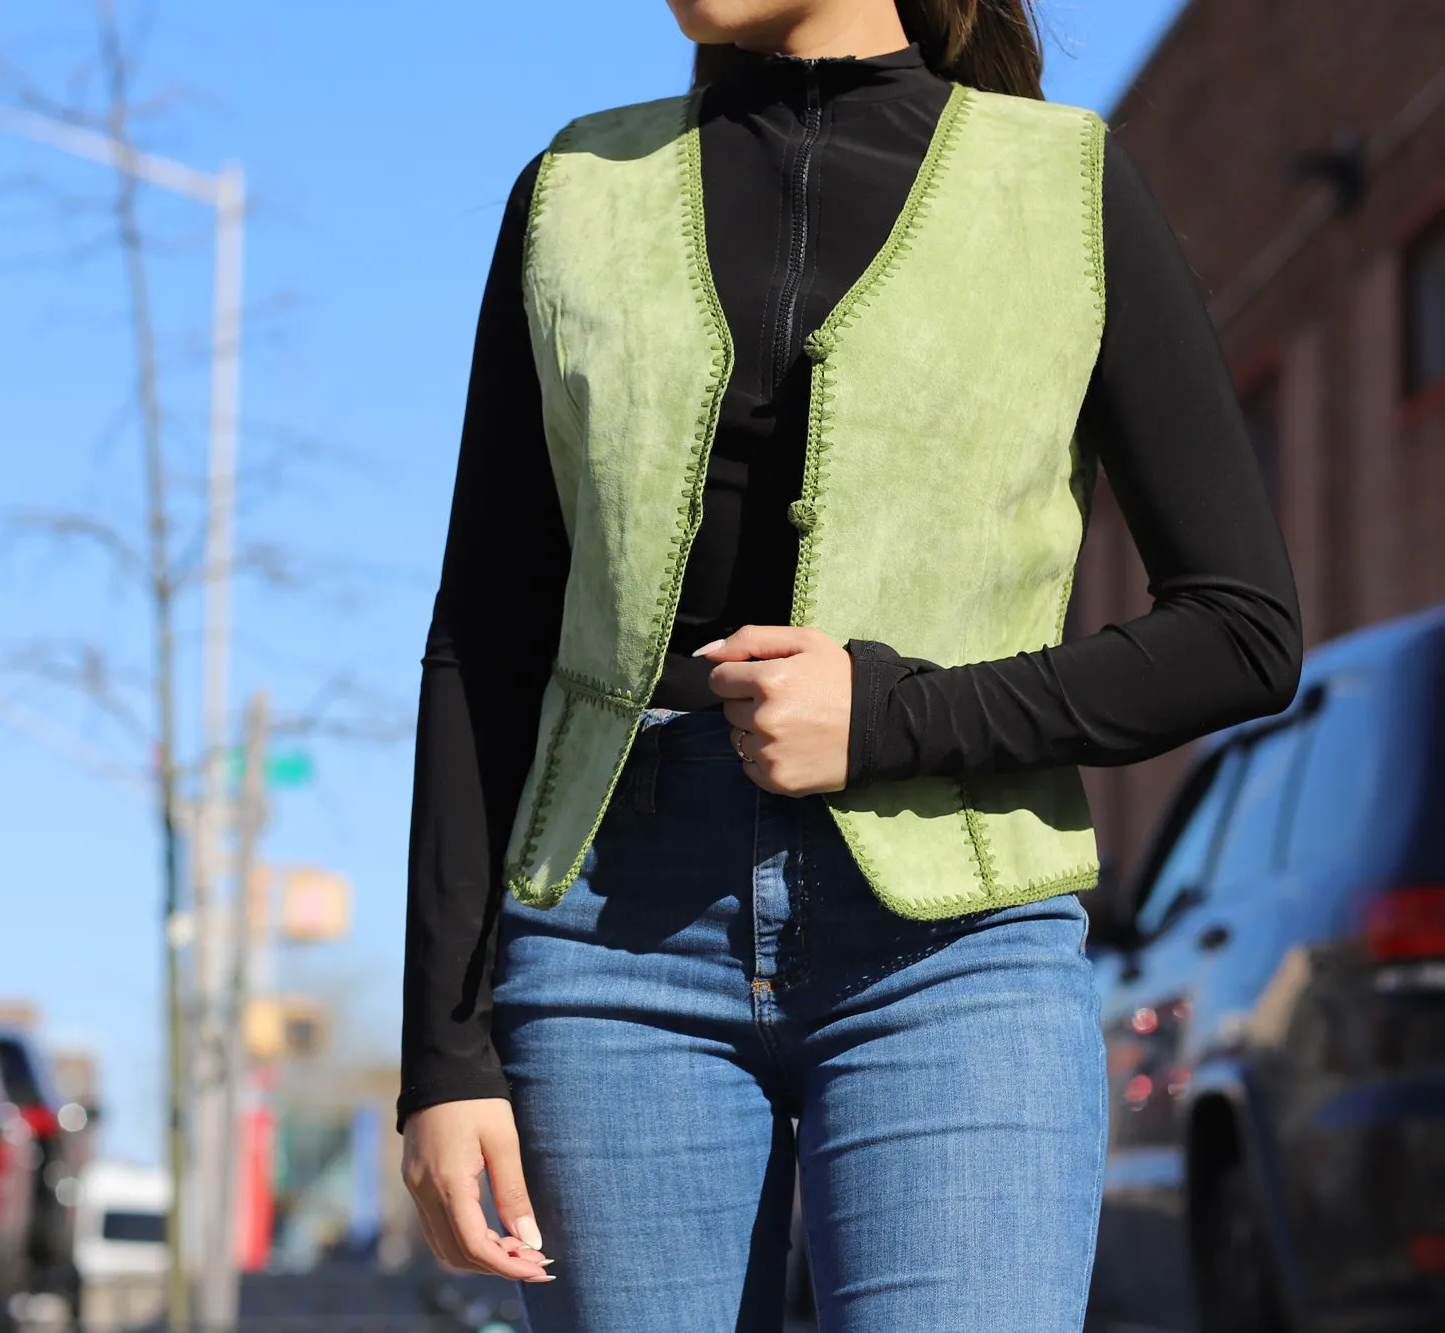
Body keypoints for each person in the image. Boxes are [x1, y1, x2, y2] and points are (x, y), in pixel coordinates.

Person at [398, 1, 1302, 1330]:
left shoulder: (1062, 187)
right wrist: (444, 1055)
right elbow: (486, 637)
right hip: (607, 949)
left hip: (960, 951)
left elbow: (1241, 627)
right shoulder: (572, 194)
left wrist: (893, 718)